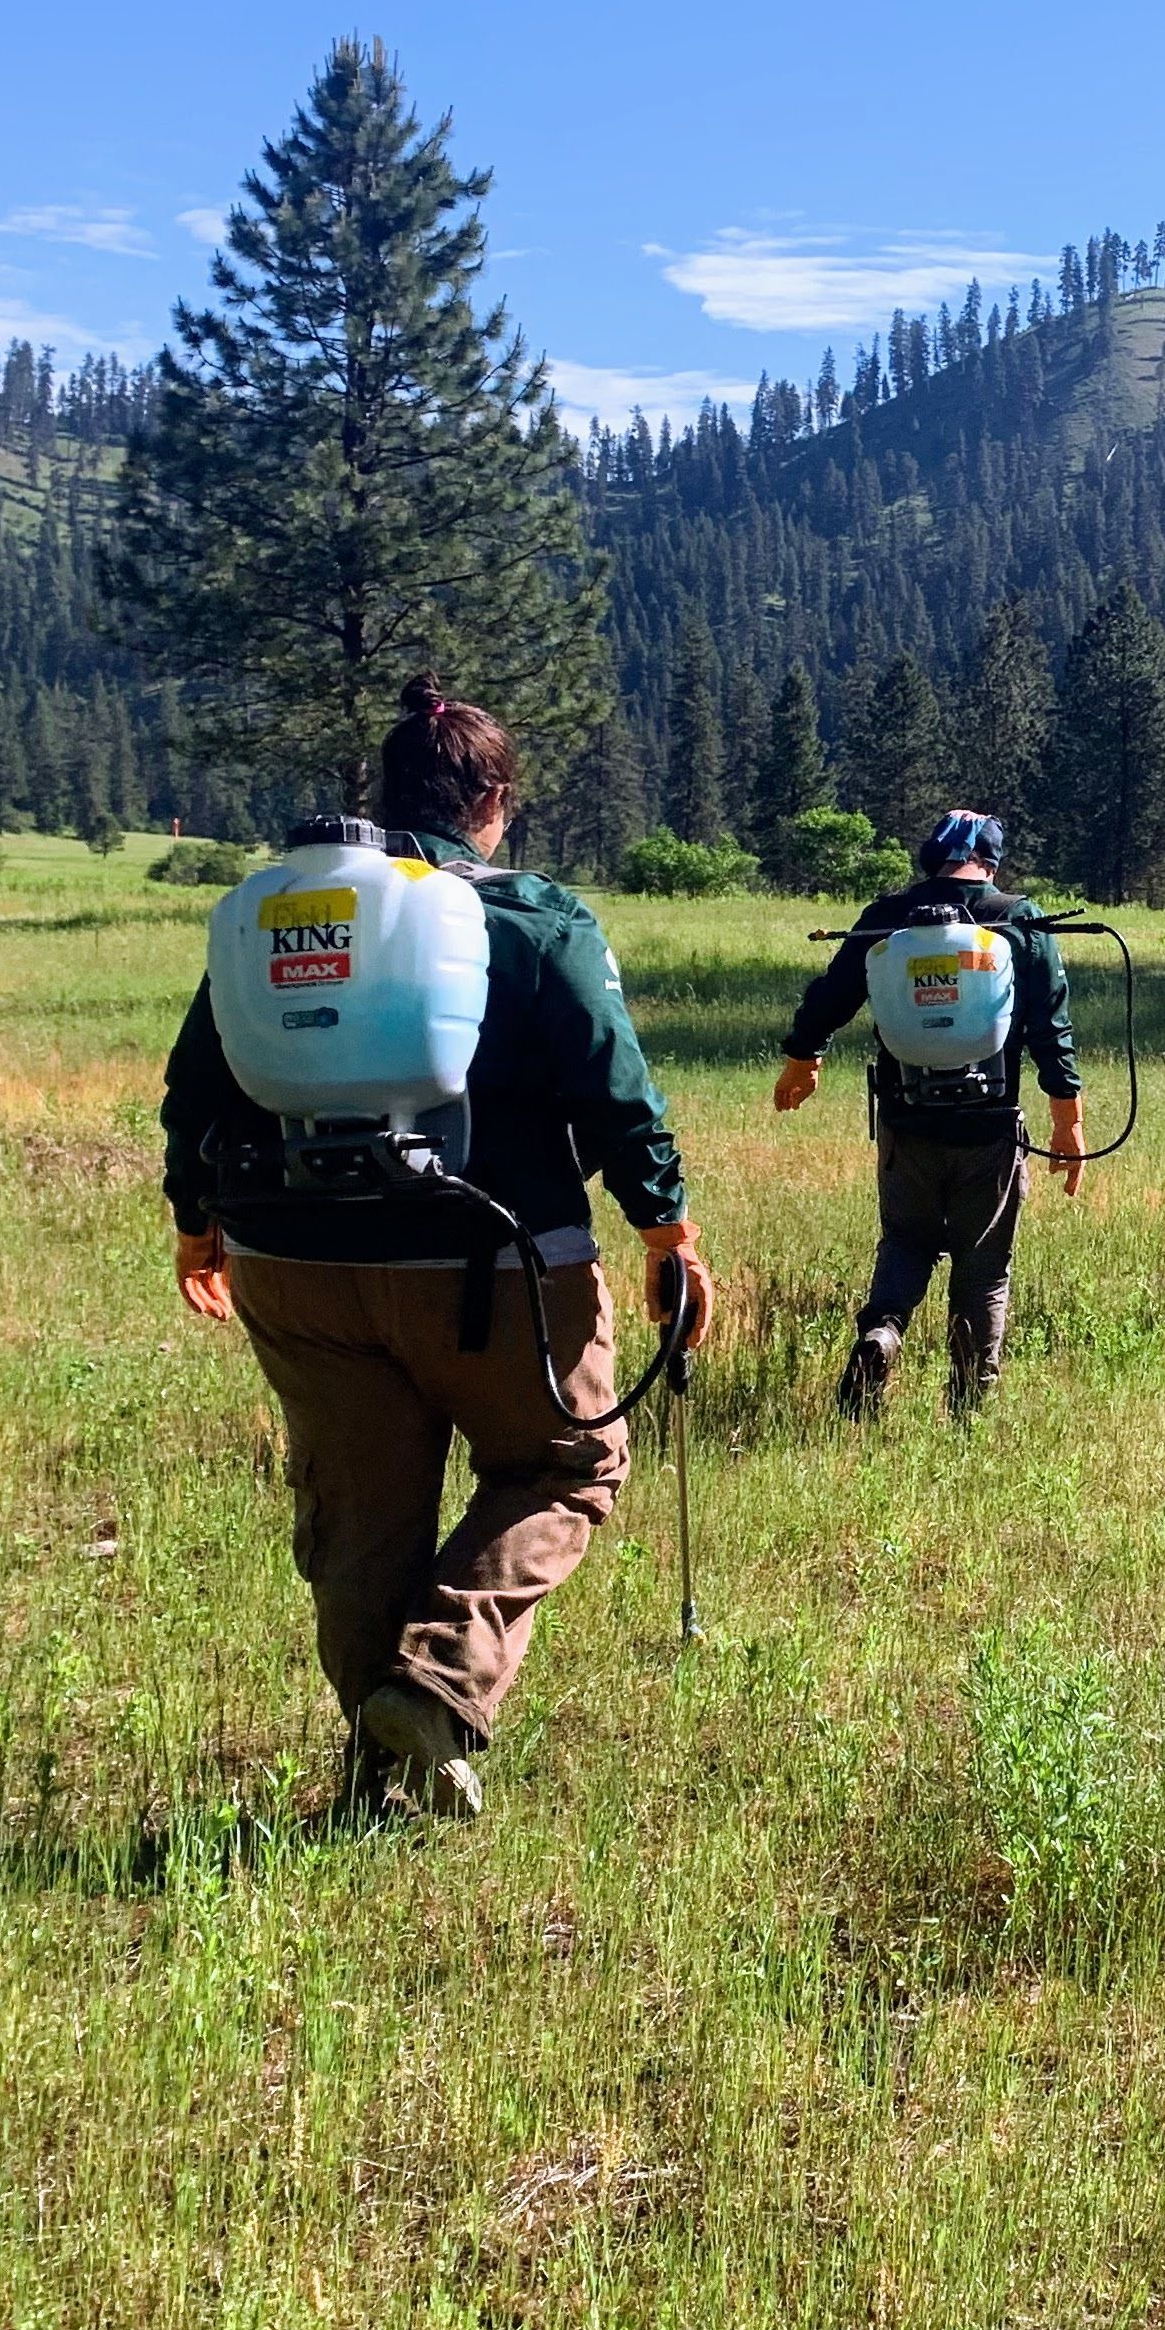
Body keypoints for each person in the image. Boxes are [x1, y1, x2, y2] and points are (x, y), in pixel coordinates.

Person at [158, 679, 700, 1820]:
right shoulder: (533, 914)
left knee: (361, 1518)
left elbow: (198, 1081)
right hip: (488, 1264)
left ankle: (377, 1788)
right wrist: (666, 1228)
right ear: (493, 801)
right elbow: (618, 1092)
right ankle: (441, 1684)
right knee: (566, 1465)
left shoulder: (285, 915)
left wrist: (195, 1222)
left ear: (387, 792)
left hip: (290, 1263)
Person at [774, 808, 1083, 1419]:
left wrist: (803, 1057)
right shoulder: (1018, 920)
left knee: (906, 1243)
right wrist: (1067, 1116)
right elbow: (1052, 1024)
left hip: (905, 1120)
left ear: (929, 857)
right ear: (990, 864)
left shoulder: (887, 919)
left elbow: (833, 993)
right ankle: (969, 1404)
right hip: (990, 1124)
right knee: (984, 1265)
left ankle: (881, 1335)